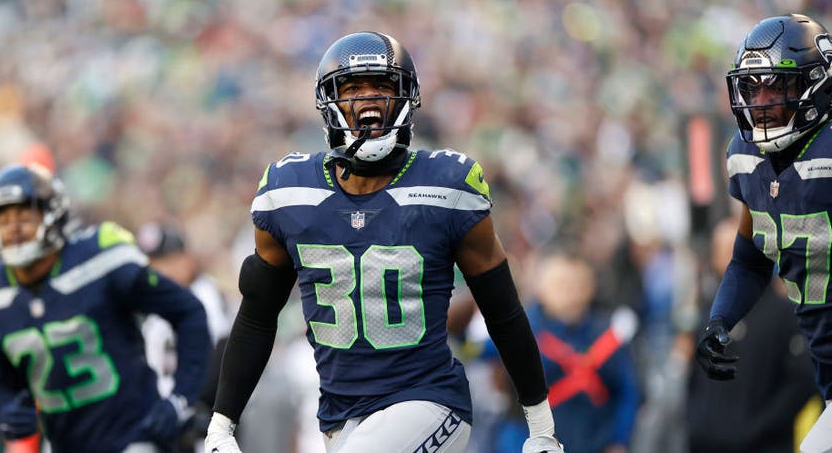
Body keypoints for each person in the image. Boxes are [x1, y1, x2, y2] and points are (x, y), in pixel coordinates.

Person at [204, 31, 563, 453]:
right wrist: (221, 426)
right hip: (339, 417)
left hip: (430, 402)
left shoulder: (447, 185)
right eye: (354, 88)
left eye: (383, 86)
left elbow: (502, 310)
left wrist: (541, 428)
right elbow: (256, 317)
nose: (370, 99)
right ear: (329, 103)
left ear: (407, 99)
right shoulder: (287, 191)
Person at [0, 164, 211, 452]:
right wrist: (10, 409)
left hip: (136, 437)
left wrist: (180, 398)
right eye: (3, 218)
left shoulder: (99, 257)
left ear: (52, 213)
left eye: (24, 214)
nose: (13, 227)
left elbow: (189, 313)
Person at [694, 13, 832, 453]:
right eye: (752, 88)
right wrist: (721, 319)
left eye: (777, 86)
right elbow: (750, 258)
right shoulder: (744, 156)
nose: (762, 101)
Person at [484, 251, 640, 453]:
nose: (570, 293)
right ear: (541, 286)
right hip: (529, 442)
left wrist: (619, 440)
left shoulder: (608, 335)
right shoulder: (518, 328)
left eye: (578, 284)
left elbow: (628, 391)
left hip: (593, 440)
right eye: (561, 284)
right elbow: (473, 351)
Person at [687, 216, 814, 452]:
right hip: (708, 443)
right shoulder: (709, 314)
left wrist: (758, 428)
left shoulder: (784, 314)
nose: (727, 259)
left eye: (733, 249)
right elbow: (694, 378)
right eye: (721, 250)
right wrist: (697, 423)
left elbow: (802, 382)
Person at [136, 221, 234, 445]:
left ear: (185, 259)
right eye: (151, 262)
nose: (157, 270)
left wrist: (195, 405)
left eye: (165, 261)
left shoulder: (204, 294)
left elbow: (221, 358)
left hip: (196, 420)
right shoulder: (149, 302)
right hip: (159, 417)